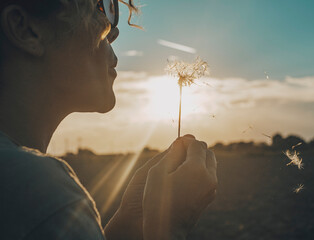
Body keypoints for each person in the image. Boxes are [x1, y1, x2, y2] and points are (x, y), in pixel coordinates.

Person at [0, 0, 218, 239]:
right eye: (96, 7)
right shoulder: (40, 195)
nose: (112, 31)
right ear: (25, 29)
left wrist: (131, 220)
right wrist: (168, 227)